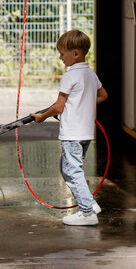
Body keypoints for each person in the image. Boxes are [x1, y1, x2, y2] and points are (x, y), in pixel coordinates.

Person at [30, 29, 108, 226]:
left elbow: (58, 107)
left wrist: (41, 117)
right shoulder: (91, 75)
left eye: (62, 53)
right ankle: (89, 203)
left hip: (72, 133)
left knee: (72, 171)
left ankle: (87, 212)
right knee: (68, 169)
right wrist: (84, 104)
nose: (60, 57)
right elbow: (103, 96)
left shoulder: (70, 76)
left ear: (75, 53)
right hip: (85, 133)